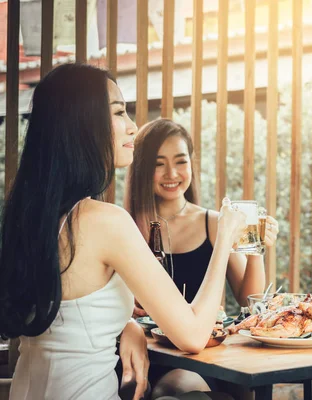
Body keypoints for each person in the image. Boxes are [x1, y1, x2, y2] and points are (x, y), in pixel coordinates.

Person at [0, 63, 245, 400]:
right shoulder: (104, 221)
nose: (133, 127)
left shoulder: (32, 217)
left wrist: (127, 327)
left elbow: (69, 323)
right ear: (83, 124)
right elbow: (192, 335)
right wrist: (225, 237)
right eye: (119, 113)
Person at [125, 118, 279, 399]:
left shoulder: (213, 222)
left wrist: (257, 248)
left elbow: (251, 300)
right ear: (142, 168)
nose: (171, 173)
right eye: (159, 163)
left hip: (210, 358)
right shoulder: (125, 226)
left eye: (180, 161)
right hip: (146, 356)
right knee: (178, 387)